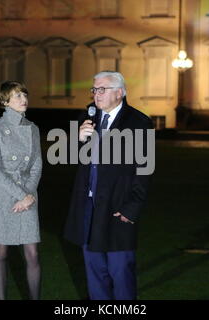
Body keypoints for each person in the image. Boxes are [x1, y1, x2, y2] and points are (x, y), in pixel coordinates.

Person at [64, 71, 154, 300]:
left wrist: (132, 208)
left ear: (120, 92)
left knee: (120, 270)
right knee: (95, 270)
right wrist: (79, 139)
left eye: (102, 89)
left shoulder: (138, 122)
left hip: (118, 208)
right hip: (89, 207)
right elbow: (73, 159)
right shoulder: (87, 118)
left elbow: (144, 170)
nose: (96, 94)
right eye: (94, 89)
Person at [0, 81, 42, 300]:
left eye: (24, 94)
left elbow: (37, 166)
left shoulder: (33, 128)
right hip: (1, 195)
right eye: (16, 96)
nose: (23, 99)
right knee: (1, 253)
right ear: (4, 101)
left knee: (33, 254)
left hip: (28, 196)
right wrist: (21, 195)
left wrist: (28, 195)